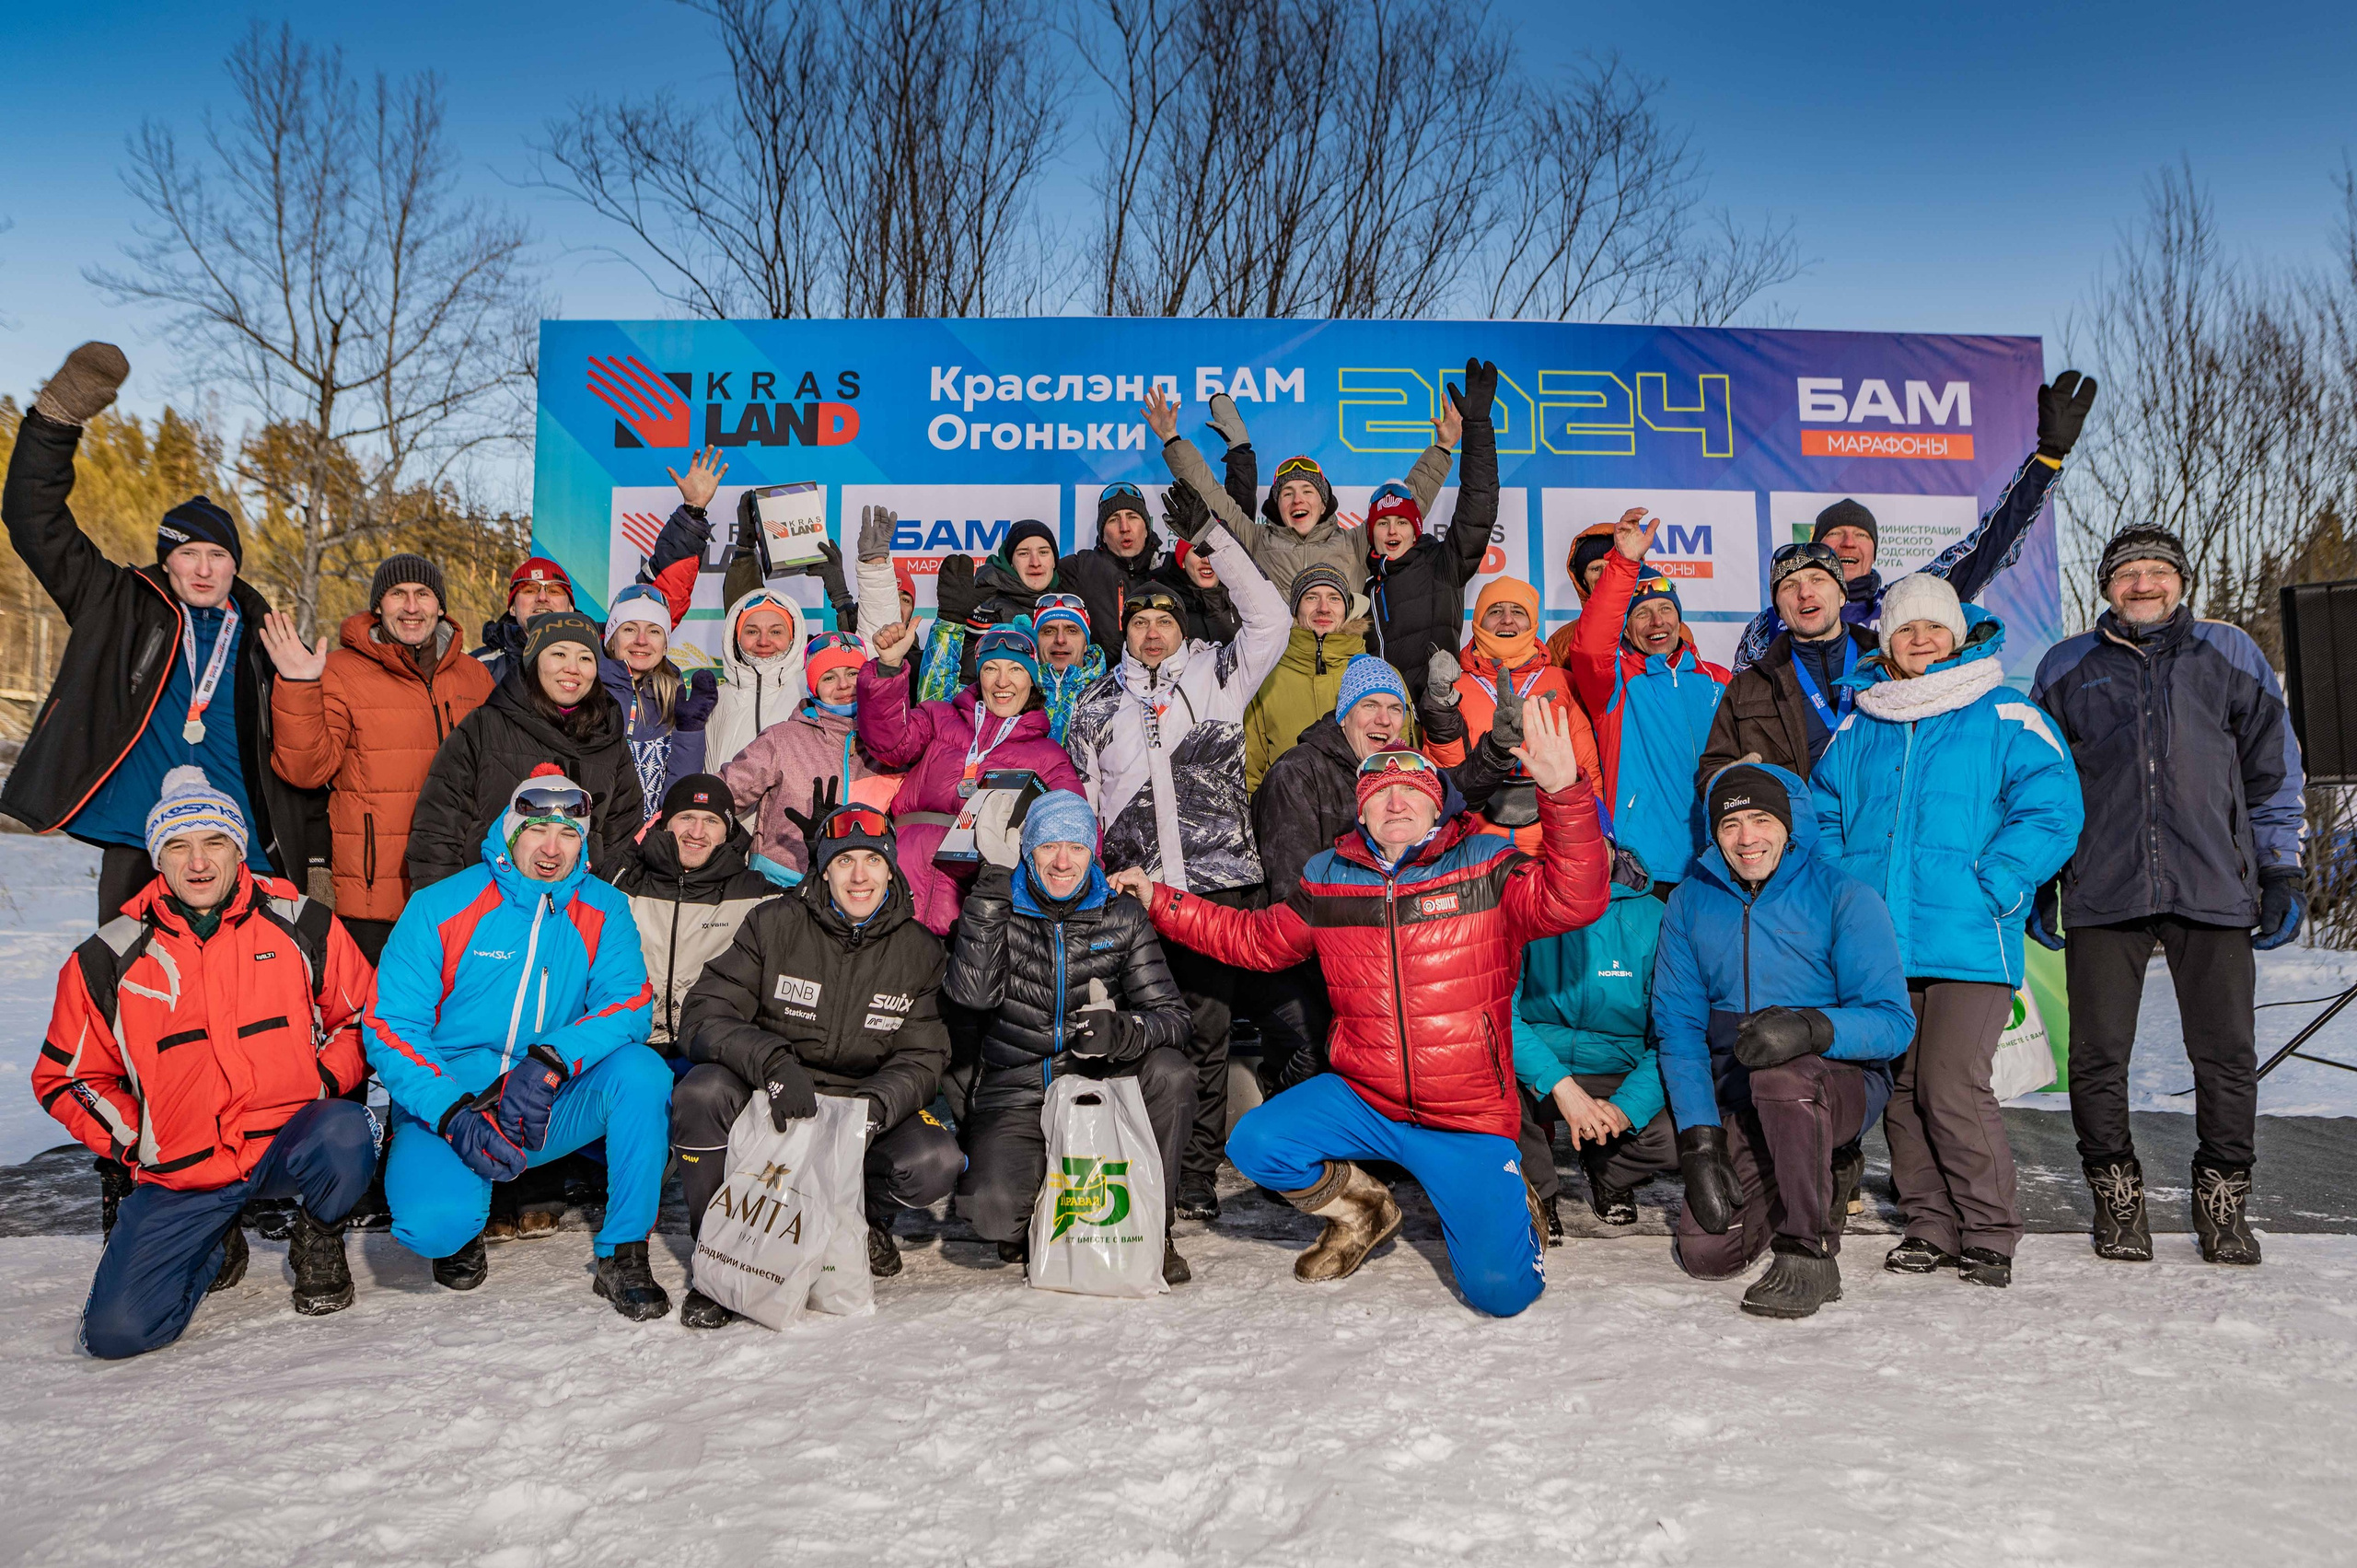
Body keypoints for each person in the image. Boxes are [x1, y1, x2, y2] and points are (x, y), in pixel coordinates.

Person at [1120, 703, 1609, 1317]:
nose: (1396, 803)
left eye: (1412, 791)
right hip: (1368, 1098)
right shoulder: (1330, 878)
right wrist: (1161, 899)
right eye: (1381, 794)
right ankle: (1362, 1211)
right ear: (1363, 809)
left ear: (1438, 807)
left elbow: (1575, 899)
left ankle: (1513, 1204)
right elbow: (1254, 940)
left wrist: (1564, 794)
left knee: (1503, 1293)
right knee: (1258, 1141)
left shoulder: (1485, 864)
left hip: (1465, 1116)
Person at [2031, 524, 2305, 1266]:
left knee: (2226, 1057)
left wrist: (2281, 867)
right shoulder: (2066, 665)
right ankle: (2117, 1199)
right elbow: (2043, 791)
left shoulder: (2230, 651)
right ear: (2107, 586)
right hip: (2104, 886)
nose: (2143, 584)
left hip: (2212, 882)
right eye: (2128, 573)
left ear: (2179, 580)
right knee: (2096, 1057)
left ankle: (2222, 1203)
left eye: (2157, 571)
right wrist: (2040, 879)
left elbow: (2273, 771)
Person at [34, 767, 377, 1356]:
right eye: (178, 846)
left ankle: (318, 1233)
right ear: (158, 859)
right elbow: (66, 1077)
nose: (198, 863)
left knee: (347, 1133)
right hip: (183, 1166)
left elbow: (363, 1017)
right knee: (119, 1335)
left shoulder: (299, 923)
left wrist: (322, 1078)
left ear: (238, 851)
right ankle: (214, 1239)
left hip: (283, 1143)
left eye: (214, 842)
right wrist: (135, 1137)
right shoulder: (107, 957)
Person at [1809, 577, 2083, 1287]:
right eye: (1907, 630)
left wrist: (1998, 880)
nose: (1921, 639)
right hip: (1881, 943)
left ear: (1959, 634)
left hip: (1967, 936)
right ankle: (1930, 1223)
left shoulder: (2005, 711)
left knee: (1951, 1084)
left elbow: (2052, 804)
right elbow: (1821, 814)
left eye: (1934, 627)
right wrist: (1846, 899)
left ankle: (1989, 1228)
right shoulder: (1862, 721)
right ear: (1888, 643)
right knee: (1899, 1089)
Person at [2, 342, 321, 923]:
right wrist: (57, 419)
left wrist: (312, 856)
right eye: (189, 553)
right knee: (136, 992)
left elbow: (305, 759)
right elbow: (34, 520)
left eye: (217, 555)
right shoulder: (118, 604)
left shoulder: (265, 637)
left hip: (241, 849)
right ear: (166, 562)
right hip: (142, 843)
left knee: (250, 1003)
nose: (203, 568)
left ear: (235, 565)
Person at [366, 770, 669, 1317]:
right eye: (536, 830)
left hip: (545, 1098)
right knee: (431, 1228)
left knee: (642, 1073)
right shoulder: (441, 904)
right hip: (456, 1098)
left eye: (569, 834)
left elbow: (630, 1005)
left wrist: (552, 1059)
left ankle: (624, 1249)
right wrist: (450, 1110)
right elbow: (389, 1025)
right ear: (510, 830)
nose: (552, 849)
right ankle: (465, 1219)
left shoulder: (605, 908)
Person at [1063, 507, 1289, 1219]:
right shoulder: (1095, 705)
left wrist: (1215, 540)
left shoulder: (1220, 674)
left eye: (1165, 621)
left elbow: (1272, 620)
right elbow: (1088, 809)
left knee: (1209, 1037)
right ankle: (1140, 1160)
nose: (1153, 632)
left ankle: (1194, 1177)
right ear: (1124, 630)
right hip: (1137, 901)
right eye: (1140, 623)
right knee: (1146, 1036)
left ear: (1183, 628)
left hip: (1220, 891)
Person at [671, 805, 959, 1322]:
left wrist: (873, 1110)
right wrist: (773, 1065)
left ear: (890, 868)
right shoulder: (773, 923)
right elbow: (704, 1013)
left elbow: (924, 1055)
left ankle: (865, 1221)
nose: (859, 875)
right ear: (824, 869)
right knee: (700, 1093)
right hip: (775, 1087)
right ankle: (722, 1257)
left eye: (872, 861)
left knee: (933, 1160)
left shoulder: (920, 950)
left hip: (859, 1098)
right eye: (844, 861)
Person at [1654, 764, 1916, 1318]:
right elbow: (1678, 1032)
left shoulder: (1844, 895)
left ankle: (1808, 1250)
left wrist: (1812, 1027)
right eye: (1730, 824)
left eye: (1762, 819)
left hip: (1833, 1083)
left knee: (1783, 1076)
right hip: (1742, 1097)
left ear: (1790, 824)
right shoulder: (1688, 903)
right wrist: (1701, 1142)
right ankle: (1814, 1168)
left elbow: (1894, 1023)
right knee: (1707, 1254)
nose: (1747, 838)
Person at [945, 791, 1196, 1283]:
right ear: (1027, 850)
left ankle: (1152, 1229)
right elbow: (970, 995)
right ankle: (1047, 1208)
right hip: (1019, 1091)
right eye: (1049, 846)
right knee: (992, 1210)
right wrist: (992, 887)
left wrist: (1121, 1031)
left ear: (1092, 852)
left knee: (1172, 1073)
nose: (1063, 861)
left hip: (1098, 1084)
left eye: (1077, 847)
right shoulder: (998, 905)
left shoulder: (1119, 915)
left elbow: (1174, 1018)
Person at [1248, 656, 1519, 1091]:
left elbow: (1453, 790)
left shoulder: (1393, 773)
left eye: (1395, 708)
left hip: (1372, 950)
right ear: (1343, 717)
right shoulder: (1297, 772)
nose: (1384, 719)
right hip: (1304, 959)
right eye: (1369, 706)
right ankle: (1285, 1113)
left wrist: (1497, 750)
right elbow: (1292, 897)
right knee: (1328, 1048)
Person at [1729, 371, 2098, 670]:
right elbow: (1741, 701)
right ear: (1816, 549)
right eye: (1836, 533)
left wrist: (2048, 457)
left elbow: (1989, 544)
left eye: (1860, 535)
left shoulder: (1905, 601)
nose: (1848, 542)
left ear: (1873, 552)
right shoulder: (1771, 622)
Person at [263, 552, 496, 961]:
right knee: (373, 1015)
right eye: (397, 594)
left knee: (449, 1017)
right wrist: (298, 684)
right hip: (375, 895)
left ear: (440, 605)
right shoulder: (340, 671)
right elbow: (307, 770)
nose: (411, 606)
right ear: (378, 606)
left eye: (423, 594)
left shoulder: (473, 676)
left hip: (462, 885)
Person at [856, 621, 1086, 935]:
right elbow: (889, 745)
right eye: (991, 668)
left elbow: (1076, 828)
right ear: (979, 676)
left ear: (1032, 680)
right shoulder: (939, 717)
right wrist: (888, 668)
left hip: (974, 906)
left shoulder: (1049, 756)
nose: (1002, 682)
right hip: (898, 884)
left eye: (1016, 670)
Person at [1511, 841, 1679, 1237]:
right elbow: (1501, 1011)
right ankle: (1537, 1188)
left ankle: (1610, 1169)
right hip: (1540, 1064)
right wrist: (1560, 1085)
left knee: (1676, 1133)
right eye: (1568, 844)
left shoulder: (1656, 919)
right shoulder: (1522, 910)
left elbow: (1672, 1034)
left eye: (1592, 842)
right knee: (1488, 1087)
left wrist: (1624, 1109)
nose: (1579, 856)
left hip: (1619, 1066)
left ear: (1613, 851)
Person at [406, 611, 644, 889]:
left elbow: (623, 829)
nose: (573, 668)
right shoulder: (485, 726)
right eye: (559, 654)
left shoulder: (609, 736)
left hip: (575, 907)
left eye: (585, 658)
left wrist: (594, 889)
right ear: (534, 661)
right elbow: (438, 825)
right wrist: (443, 907)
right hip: (489, 903)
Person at [1566, 512, 1730, 891]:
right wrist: (1624, 564)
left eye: (1666, 610)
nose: (1657, 622)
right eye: (1642, 614)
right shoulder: (1616, 684)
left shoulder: (1718, 679)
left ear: (1679, 617)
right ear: (1625, 627)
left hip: (1718, 860)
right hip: (1644, 867)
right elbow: (1590, 648)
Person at [1421, 576, 1605, 852]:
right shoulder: (1454, 685)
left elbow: (1587, 769)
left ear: (1532, 623)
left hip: (1550, 844)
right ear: (1478, 621)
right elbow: (1445, 773)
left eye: (1518, 612)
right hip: (1475, 846)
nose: (1507, 620)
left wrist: (1596, 835)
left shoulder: (1563, 682)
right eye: (1495, 611)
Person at [612, 774, 780, 1054]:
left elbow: (816, 911)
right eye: (687, 817)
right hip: (631, 1043)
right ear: (666, 824)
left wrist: (819, 856)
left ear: (727, 832)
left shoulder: (754, 894)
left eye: (712, 821)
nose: (697, 832)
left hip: (711, 1048)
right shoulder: (623, 883)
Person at [1149, 387, 1367, 598]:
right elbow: (1209, 494)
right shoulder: (1255, 540)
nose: (1297, 500)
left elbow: (1400, 507)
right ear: (1277, 506)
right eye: (1287, 494)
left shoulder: (1356, 543)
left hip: (1343, 636)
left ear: (1323, 504)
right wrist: (1171, 437)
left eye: (1307, 491)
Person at [718, 629, 900, 879]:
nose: (844, 685)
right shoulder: (783, 739)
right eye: (828, 678)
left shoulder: (891, 742)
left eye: (853, 674)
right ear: (813, 687)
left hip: (858, 888)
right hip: (782, 883)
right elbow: (722, 792)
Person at [1698, 540, 1877, 791]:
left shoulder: (1887, 666)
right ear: (1779, 610)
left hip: (1880, 825)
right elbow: (1712, 775)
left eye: (1817, 579)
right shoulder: (1748, 687)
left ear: (1842, 595)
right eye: (1790, 585)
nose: (1804, 593)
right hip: (1797, 827)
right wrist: (1733, 783)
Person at [1365, 360, 1495, 700]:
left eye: (1402, 522)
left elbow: (1475, 511)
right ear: (1372, 533)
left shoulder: (1442, 566)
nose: (1392, 530)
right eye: (1383, 522)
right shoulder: (1363, 583)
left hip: (1437, 719)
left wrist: (1477, 428)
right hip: (1381, 725)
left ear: (1416, 529)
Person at [1243, 563, 1372, 795]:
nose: (1324, 609)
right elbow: (1250, 773)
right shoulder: (1265, 679)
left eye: (1334, 598)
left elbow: (1400, 759)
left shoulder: (1376, 675)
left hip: (1363, 823)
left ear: (1347, 609)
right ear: (1295, 610)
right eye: (1311, 597)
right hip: (1286, 818)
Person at [601, 583, 718, 820]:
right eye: (629, 629)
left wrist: (690, 732)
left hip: (648, 841)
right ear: (612, 639)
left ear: (665, 645)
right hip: (595, 837)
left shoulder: (674, 699)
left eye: (654, 631)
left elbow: (678, 793)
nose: (641, 641)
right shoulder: (589, 689)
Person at [922, 519, 1066, 693]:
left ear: (1054, 561)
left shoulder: (1066, 607)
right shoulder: (982, 603)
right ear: (1010, 561)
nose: (1035, 562)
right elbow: (948, 678)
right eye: (1023, 553)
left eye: (1043, 552)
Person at [703, 586, 811, 770]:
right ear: (735, 637)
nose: (763, 641)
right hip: (727, 798)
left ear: (794, 637)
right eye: (752, 631)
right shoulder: (715, 699)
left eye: (776, 632)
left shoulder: (808, 690)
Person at [1059, 482, 1166, 666]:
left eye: (1132, 517)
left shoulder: (1168, 568)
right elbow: (1027, 586)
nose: (1124, 527)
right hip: (1099, 685)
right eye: (1114, 519)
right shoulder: (1079, 567)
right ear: (1102, 535)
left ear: (1147, 528)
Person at [471, 555, 578, 684]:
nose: (542, 597)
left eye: (554, 591)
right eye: (530, 590)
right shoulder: (478, 666)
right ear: (512, 608)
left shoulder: (595, 664)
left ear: (570, 607)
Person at [1538, 524, 1620, 670]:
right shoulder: (1561, 642)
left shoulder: (1659, 624)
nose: (1605, 575)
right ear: (1583, 581)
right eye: (1595, 569)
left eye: (1612, 566)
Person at [1029, 593, 1107, 743]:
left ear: (1085, 644)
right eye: (1048, 631)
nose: (1060, 639)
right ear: (1036, 642)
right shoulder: (1015, 689)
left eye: (1071, 630)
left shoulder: (1110, 693)